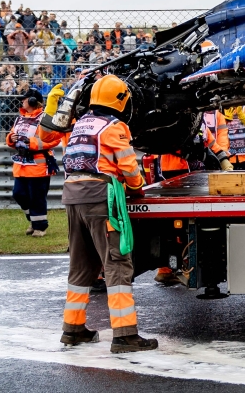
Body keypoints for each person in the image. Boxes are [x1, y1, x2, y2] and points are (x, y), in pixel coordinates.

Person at [59, 74, 157, 352]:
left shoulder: (79, 125)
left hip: (72, 197)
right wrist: (138, 188)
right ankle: (125, 335)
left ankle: (73, 329)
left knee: (81, 267)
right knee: (117, 264)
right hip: (100, 199)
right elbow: (128, 168)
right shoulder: (115, 127)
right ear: (121, 101)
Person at [6, 88, 61, 236]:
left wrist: (31, 143)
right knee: (19, 194)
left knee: (37, 197)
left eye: (24, 99)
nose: (22, 102)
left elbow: (55, 139)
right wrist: (11, 139)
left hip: (38, 164)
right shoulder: (19, 118)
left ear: (32, 101)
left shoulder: (45, 118)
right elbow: (12, 133)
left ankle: (40, 227)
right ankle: (33, 220)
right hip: (21, 164)